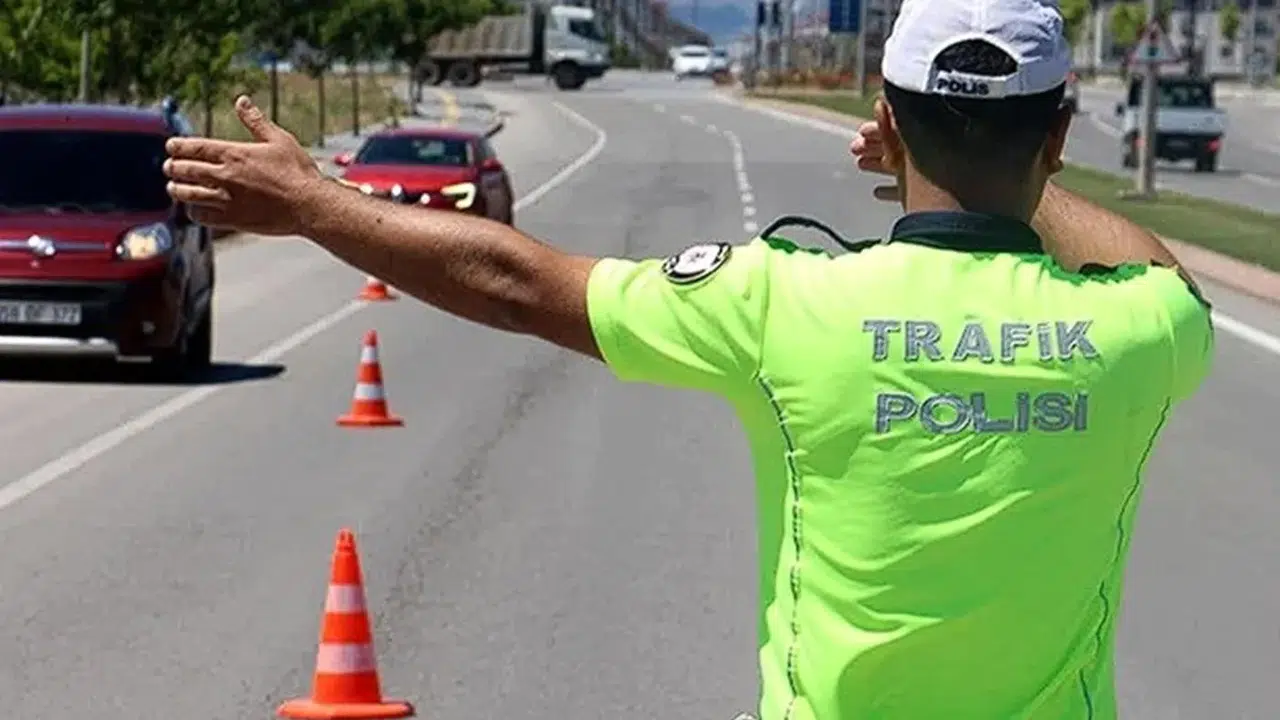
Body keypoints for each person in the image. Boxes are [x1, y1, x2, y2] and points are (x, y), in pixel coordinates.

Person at [162, 0, 1213, 715]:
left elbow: (520, 282)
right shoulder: (1135, 332)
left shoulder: (783, 302)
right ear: (1060, 133)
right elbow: (1157, 271)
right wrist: (1009, 177)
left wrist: (315, 204)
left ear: (881, 118)